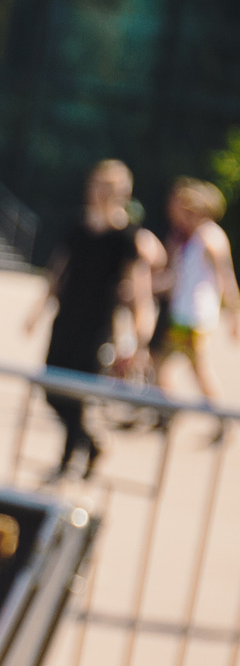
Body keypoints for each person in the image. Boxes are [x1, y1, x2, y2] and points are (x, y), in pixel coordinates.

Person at [26, 159, 162, 478]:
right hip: (67, 318)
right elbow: (58, 270)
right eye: (97, 185)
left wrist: (140, 339)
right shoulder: (79, 226)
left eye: (108, 188)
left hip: (98, 326)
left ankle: (68, 459)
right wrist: (37, 311)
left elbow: (140, 291)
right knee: (52, 389)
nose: (99, 193)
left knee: (78, 393)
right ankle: (91, 443)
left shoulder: (128, 236)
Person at [153, 178, 236, 405]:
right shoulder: (186, 237)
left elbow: (226, 277)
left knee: (198, 370)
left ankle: (219, 415)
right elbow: (178, 276)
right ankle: (170, 407)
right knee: (161, 363)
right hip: (181, 313)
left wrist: (235, 315)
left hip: (195, 316)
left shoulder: (210, 237)